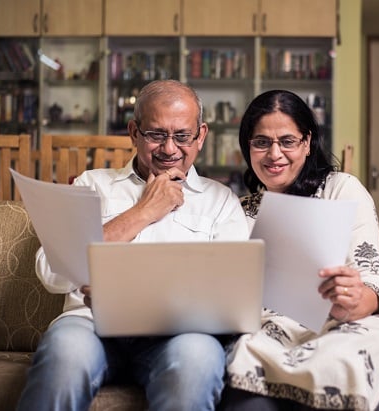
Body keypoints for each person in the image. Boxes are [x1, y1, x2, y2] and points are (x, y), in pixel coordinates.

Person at [16, 80, 249, 411]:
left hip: (180, 336)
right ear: (134, 132)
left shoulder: (221, 201)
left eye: (182, 136)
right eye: (156, 134)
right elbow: (51, 272)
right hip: (90, 325)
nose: (169, 149)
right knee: (65, 353)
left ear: (201, 136)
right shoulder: (91, 184)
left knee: (197, 360)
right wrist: (142, 212)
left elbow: (233, 296)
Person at [219, 90, 379, 411]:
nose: (274, 153)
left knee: (345, 361)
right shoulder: (241, 209)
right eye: (262, 142)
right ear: (248, 147)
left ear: (307, 143)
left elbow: (371, 278)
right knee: (245, 374)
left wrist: (354, 300)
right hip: (270, 330)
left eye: (287, 141)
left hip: (346, 322)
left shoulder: (341, 189)